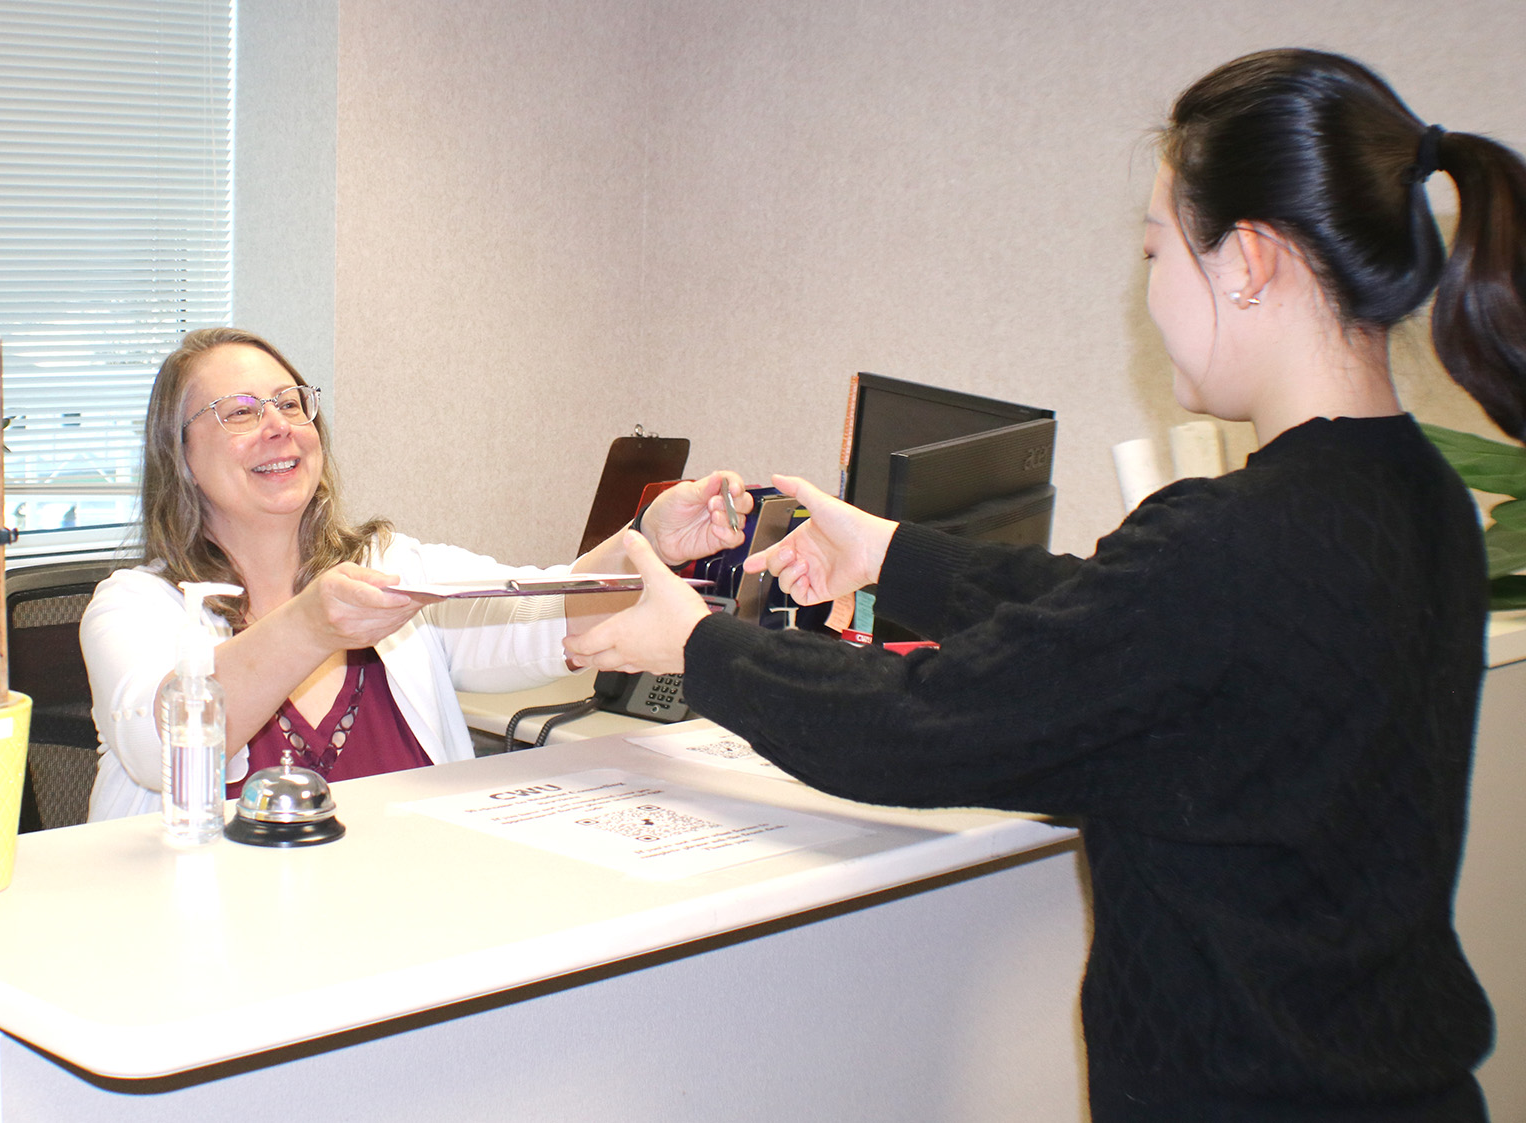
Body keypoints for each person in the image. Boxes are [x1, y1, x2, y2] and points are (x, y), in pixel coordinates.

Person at [566, 49, 1526, 1121]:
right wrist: (891, 553)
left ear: (1249, 261)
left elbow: (921, 725)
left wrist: (698, 642)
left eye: (1157, 249)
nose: (1151, 291)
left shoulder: (1233, 545)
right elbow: (1115, 616)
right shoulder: (1423, 500)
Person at [83, 326, 748, 822]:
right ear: (180, 454)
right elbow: (158, 745)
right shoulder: (133, 607)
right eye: (241, 412)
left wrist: (644, 542)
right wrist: (311, 625)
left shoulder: (393, 567)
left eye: (291, 404)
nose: (279, 427)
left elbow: (540, 616)